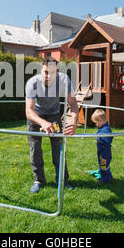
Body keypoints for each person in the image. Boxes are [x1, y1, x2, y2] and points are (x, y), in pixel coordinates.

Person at [25, 57, 79, 193]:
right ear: (41, 71)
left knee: (58, 147)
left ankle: (63, 180)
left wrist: (74, 121)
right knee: (35, 147)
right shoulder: (33, 83)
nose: (49, 76)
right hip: (35, 117)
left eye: (52, 72)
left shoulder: (64, 80)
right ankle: (38, 180)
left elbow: (72, 103)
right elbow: (28, 111)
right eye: (46, 72)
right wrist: (43, 122)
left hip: (54, 115)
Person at [86, 109, 113, 183]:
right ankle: (107, 175)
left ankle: (106, 180)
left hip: (105, 152)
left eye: (96, 123)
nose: (96, 125)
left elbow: (107, 144)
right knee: (102, 165)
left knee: (104, 166)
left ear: (101, 120)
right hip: (101, 150)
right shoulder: (102, 128)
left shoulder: (106, 130)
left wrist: (104, 156)